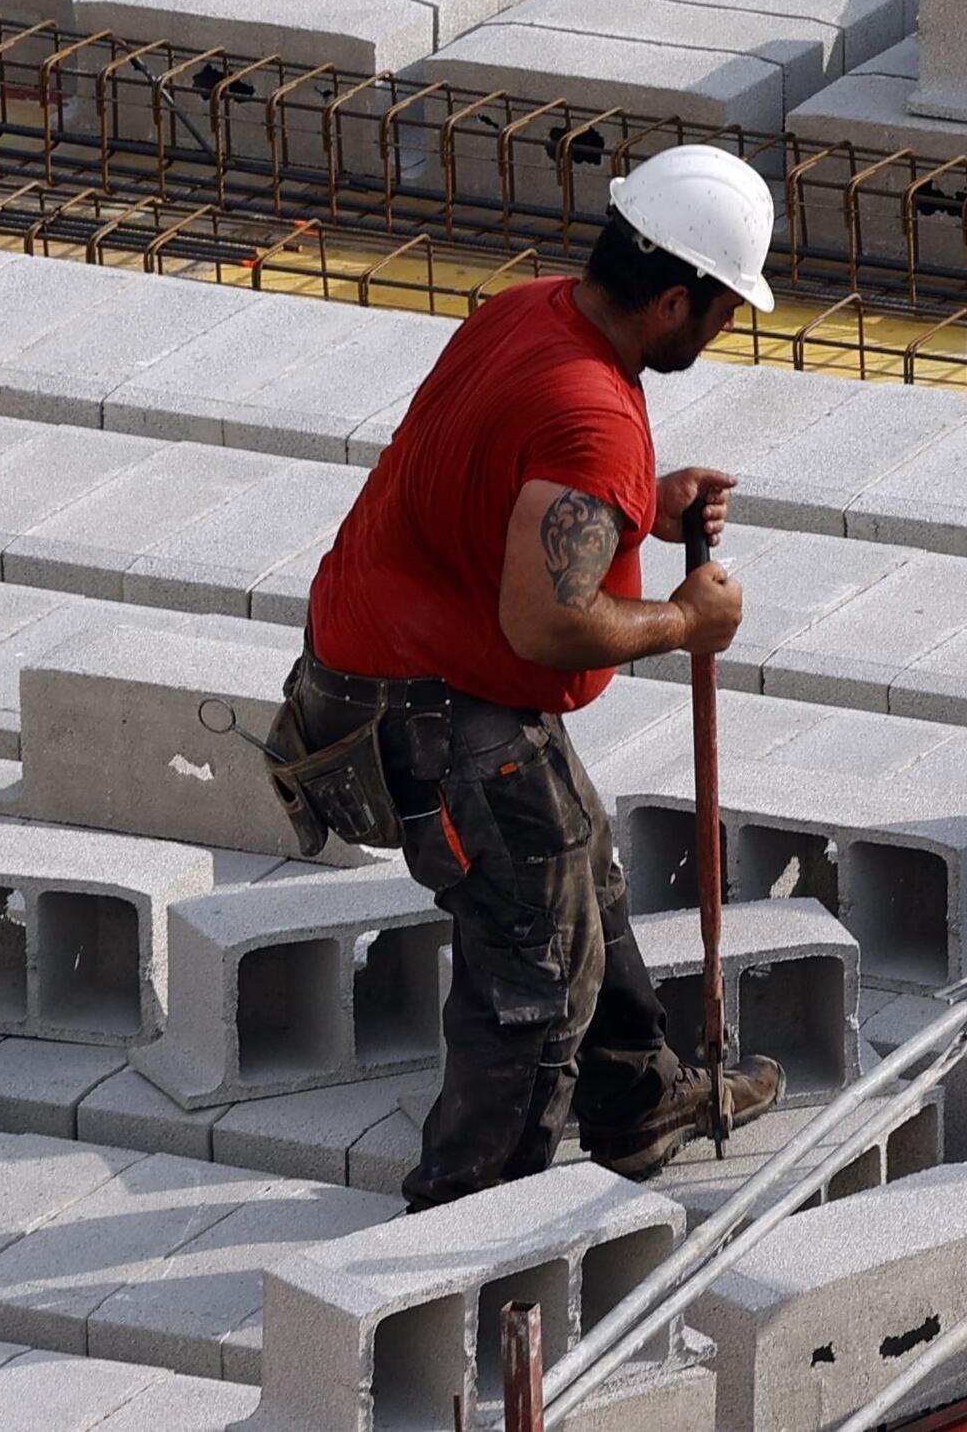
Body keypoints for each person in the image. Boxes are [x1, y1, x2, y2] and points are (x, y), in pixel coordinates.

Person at [275, 144, 782, 1206]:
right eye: (723, 311)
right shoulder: (594, 418)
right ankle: (470, 1225)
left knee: (580, 866)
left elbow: (510, 486)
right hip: (428, 710)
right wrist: (687, 620)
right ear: (675, 301)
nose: (723, 330)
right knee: (535, 976)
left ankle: (637, 1100)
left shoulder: (530, 309)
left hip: (380, 662)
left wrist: (644, 506)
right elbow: (548, 619)